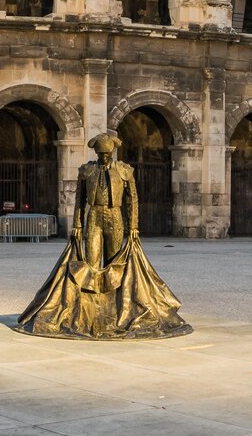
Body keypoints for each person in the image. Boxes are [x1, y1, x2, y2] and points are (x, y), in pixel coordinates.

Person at [15, 132, 191, 340]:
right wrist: (77, 224)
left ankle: (113, 310)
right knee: (90, 261)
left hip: (115, 216)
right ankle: (89, 310)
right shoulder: (87, 170)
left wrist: (133, 226)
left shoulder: (124, 170)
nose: (104, 157)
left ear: (112, 152)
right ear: (97, 153)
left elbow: (132, 200)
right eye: (101, 154)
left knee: (114, 262)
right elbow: (80, 200)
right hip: (95, 216)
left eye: (107, 154)